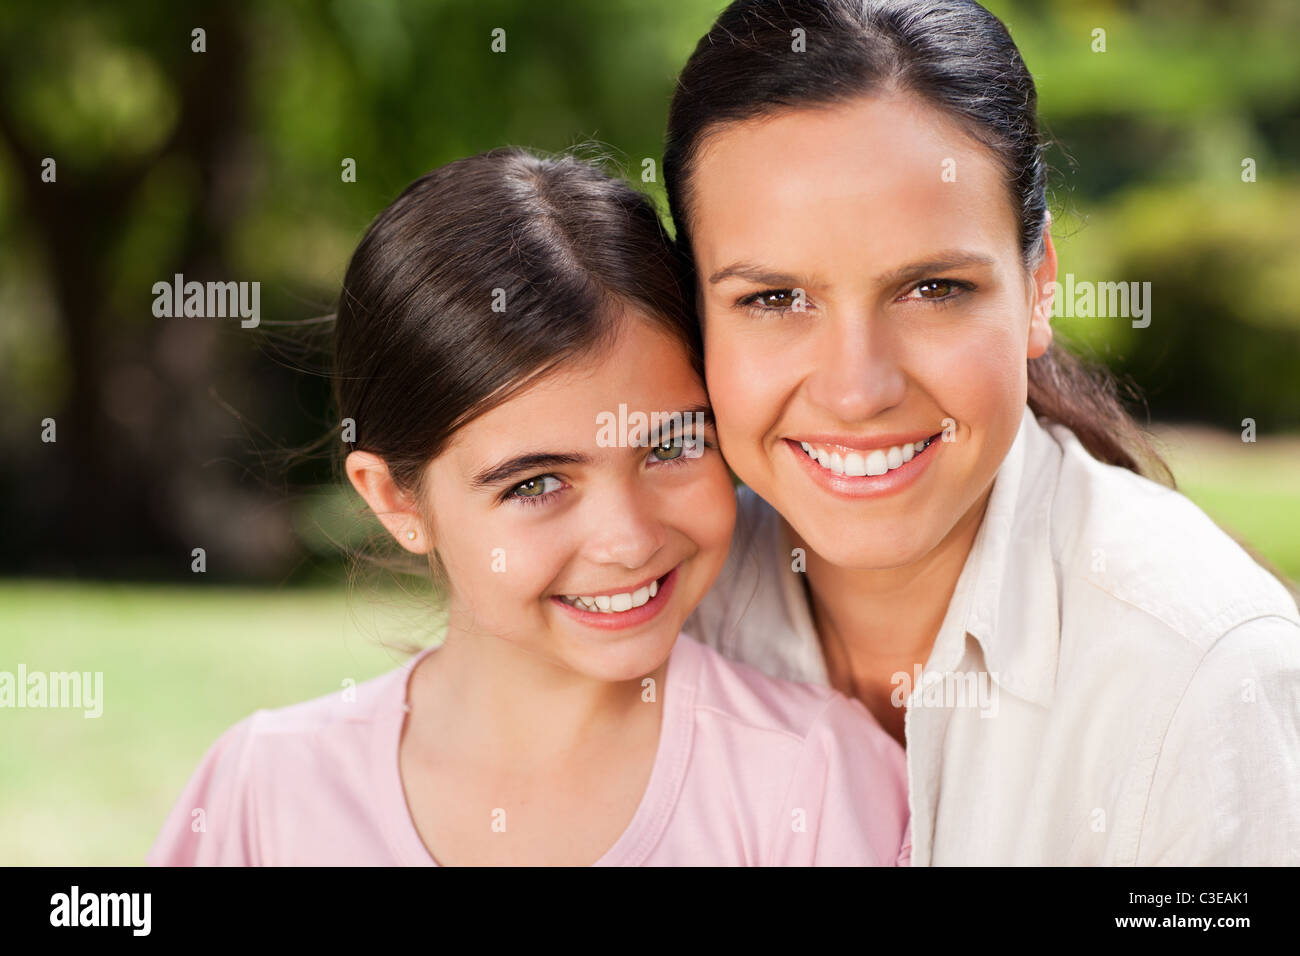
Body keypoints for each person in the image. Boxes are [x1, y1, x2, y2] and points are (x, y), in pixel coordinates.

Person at [146, 147, 910, 867]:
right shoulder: (268, 791)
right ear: (394, 499)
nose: (626, 540)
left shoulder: (810, 778)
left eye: (672, 447)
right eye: (535, 484)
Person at [667, 0, 1300, 864]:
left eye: (932, 289)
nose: (857, 392)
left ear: (1039, 289)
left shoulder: (1202, 674)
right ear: (696, 317)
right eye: (774, 299)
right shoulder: (653, 616)